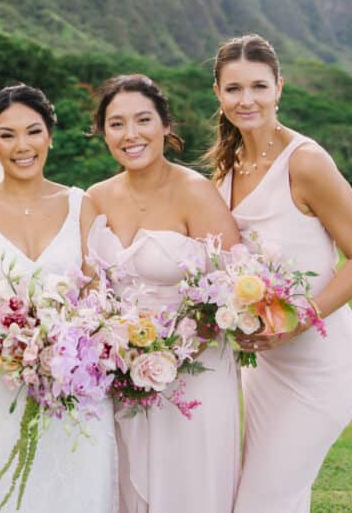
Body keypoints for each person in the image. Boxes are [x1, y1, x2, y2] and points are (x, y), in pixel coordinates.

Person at [209, 34, 352, 513]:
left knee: (263, 500)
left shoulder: (306, 162)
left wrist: (297, 320)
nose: (247, 100)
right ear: (218, 95)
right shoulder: (226, 168)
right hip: (265, 367)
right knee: (273, 495)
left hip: (321, 362)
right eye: (234, 88)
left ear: (279, 87)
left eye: (259, 87)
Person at [0, 84, 118, 512]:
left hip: (76, 390)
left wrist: (64, 340)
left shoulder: (84, 205)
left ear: (50, 136)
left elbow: (101, 296)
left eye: (33, 131)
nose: (22, 146)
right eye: (7, 135)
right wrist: (13, 342)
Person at [86, 74, 242, 513]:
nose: (130, 134)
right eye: (116, 124)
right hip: (119, 377)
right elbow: (88, 289)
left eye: (142, 120)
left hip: (194, 373)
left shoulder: (195, 191)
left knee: (185, 490)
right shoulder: (95, 199)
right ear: (103, 133)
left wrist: (172, 352)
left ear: (165, 125)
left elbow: (233, 288)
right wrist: (119, 351)